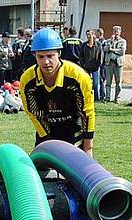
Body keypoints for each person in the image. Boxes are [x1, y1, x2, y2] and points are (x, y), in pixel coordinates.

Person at [19, 27, 95, 155]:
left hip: (73, 127)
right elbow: (32, 113)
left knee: (73, 167)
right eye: (41, 57)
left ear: (59, 53)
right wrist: (46, 138)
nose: (46, 62)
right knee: (40, 168)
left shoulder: (78, 76)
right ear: (34, 55)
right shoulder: (27, 80)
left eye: (50, 56)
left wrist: (88, 147)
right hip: (47, 127)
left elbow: (87, 112)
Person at [103, 26, 127, 103]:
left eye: (117, 31)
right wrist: (111, 42)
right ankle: (107, 97)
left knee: (118, 82)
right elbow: (105, 49)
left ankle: (117, 98)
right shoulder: (108, 41)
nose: (116, 33)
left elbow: (122, 52)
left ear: (120, 32)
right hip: (109, 63)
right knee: (108, 82)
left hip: (118, 63)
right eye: (114, 31)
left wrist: (112, 50)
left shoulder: (123, 41)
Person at [81, 30, 104, 101]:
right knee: (86, 84)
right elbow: (81, 56)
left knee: (96, 84)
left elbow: (101, 56)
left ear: (93, 35)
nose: (88, 36)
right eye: (87, 35)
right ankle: (86, 98)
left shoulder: (98, 44)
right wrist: (83, 65)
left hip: (95, 68)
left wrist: (98, 65)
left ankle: (96, 99)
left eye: (89, 34)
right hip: (86, 68)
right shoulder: (84, 45)